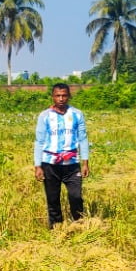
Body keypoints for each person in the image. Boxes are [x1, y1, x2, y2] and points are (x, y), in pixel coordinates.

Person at [34, 83, 89, 229]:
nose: (61, 99)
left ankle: (79, 225)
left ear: (69, 96)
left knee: (76, 196)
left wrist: (85, 163)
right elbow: (39, 141)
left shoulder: (77, 114)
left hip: (72, 164)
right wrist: (38, 165)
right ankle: (56, 229)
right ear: (52, 97)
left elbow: (83, 139)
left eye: (64, 95)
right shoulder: (44, 116)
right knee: (53, 199)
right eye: (58, 95)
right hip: (50, 164)